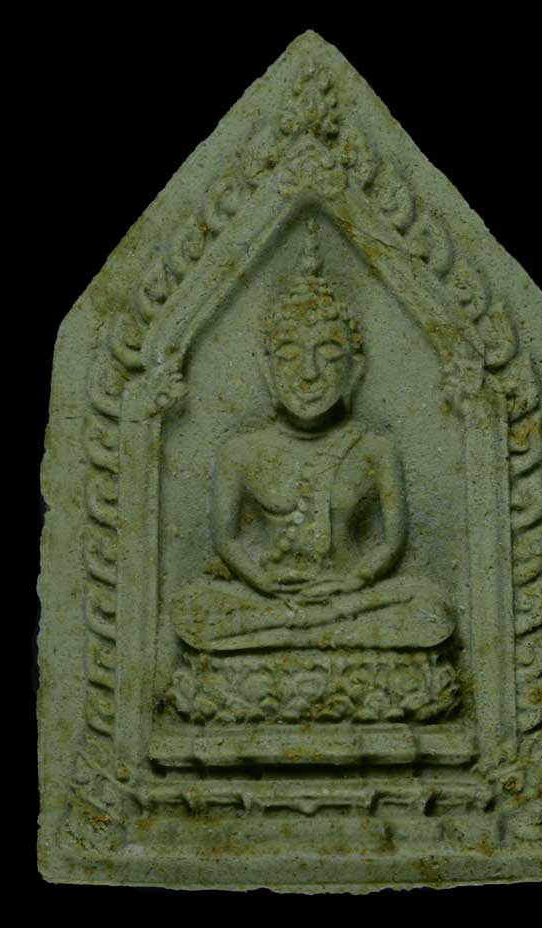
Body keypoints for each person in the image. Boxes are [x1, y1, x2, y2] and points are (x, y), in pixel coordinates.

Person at [172, 221, 454, 653]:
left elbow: (391, 540)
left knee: (429, 607)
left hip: (350, 599)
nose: (308, 373)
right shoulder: (240, 452)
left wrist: (351, 584)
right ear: (268, 370)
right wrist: (263, 582)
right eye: (289, 356)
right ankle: (306, 630)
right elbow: (228, 540)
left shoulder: (374, 449)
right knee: (193, 606)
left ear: (355, 370)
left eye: (328, 353)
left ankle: (292, 634)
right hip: (271, 598)